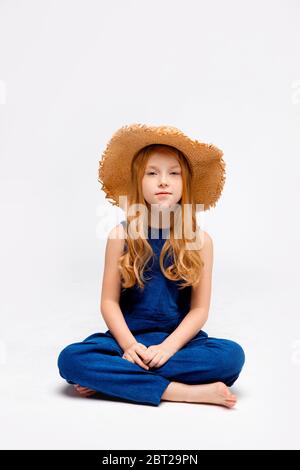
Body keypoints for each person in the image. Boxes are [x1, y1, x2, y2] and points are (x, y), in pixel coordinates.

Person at [57, 123, 245, 408]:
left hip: (179, 344)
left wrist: (168, 348)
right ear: (138, 183)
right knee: (70, 359)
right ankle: (181, 391)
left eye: (173, 173)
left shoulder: (201, 241)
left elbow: (199, 310)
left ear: (185, 184)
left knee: (231, 356)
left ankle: (113, 380)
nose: (163, 181)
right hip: (125, 342)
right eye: (152, 173)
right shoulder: (120, 236)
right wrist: (130, 346)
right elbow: (109, 302)